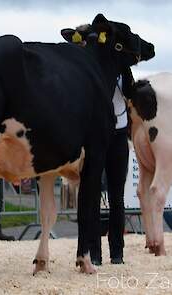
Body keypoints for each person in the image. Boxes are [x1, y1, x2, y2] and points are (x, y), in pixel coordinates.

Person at [90, 68, 134, 265]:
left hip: (119, 131)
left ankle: (117, 252)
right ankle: (94, 253)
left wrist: (124, 68)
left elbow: (130, 92)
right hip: (97, 131)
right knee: (92, 194)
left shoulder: (122, 67)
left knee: (117, 197)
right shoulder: (94, 61)